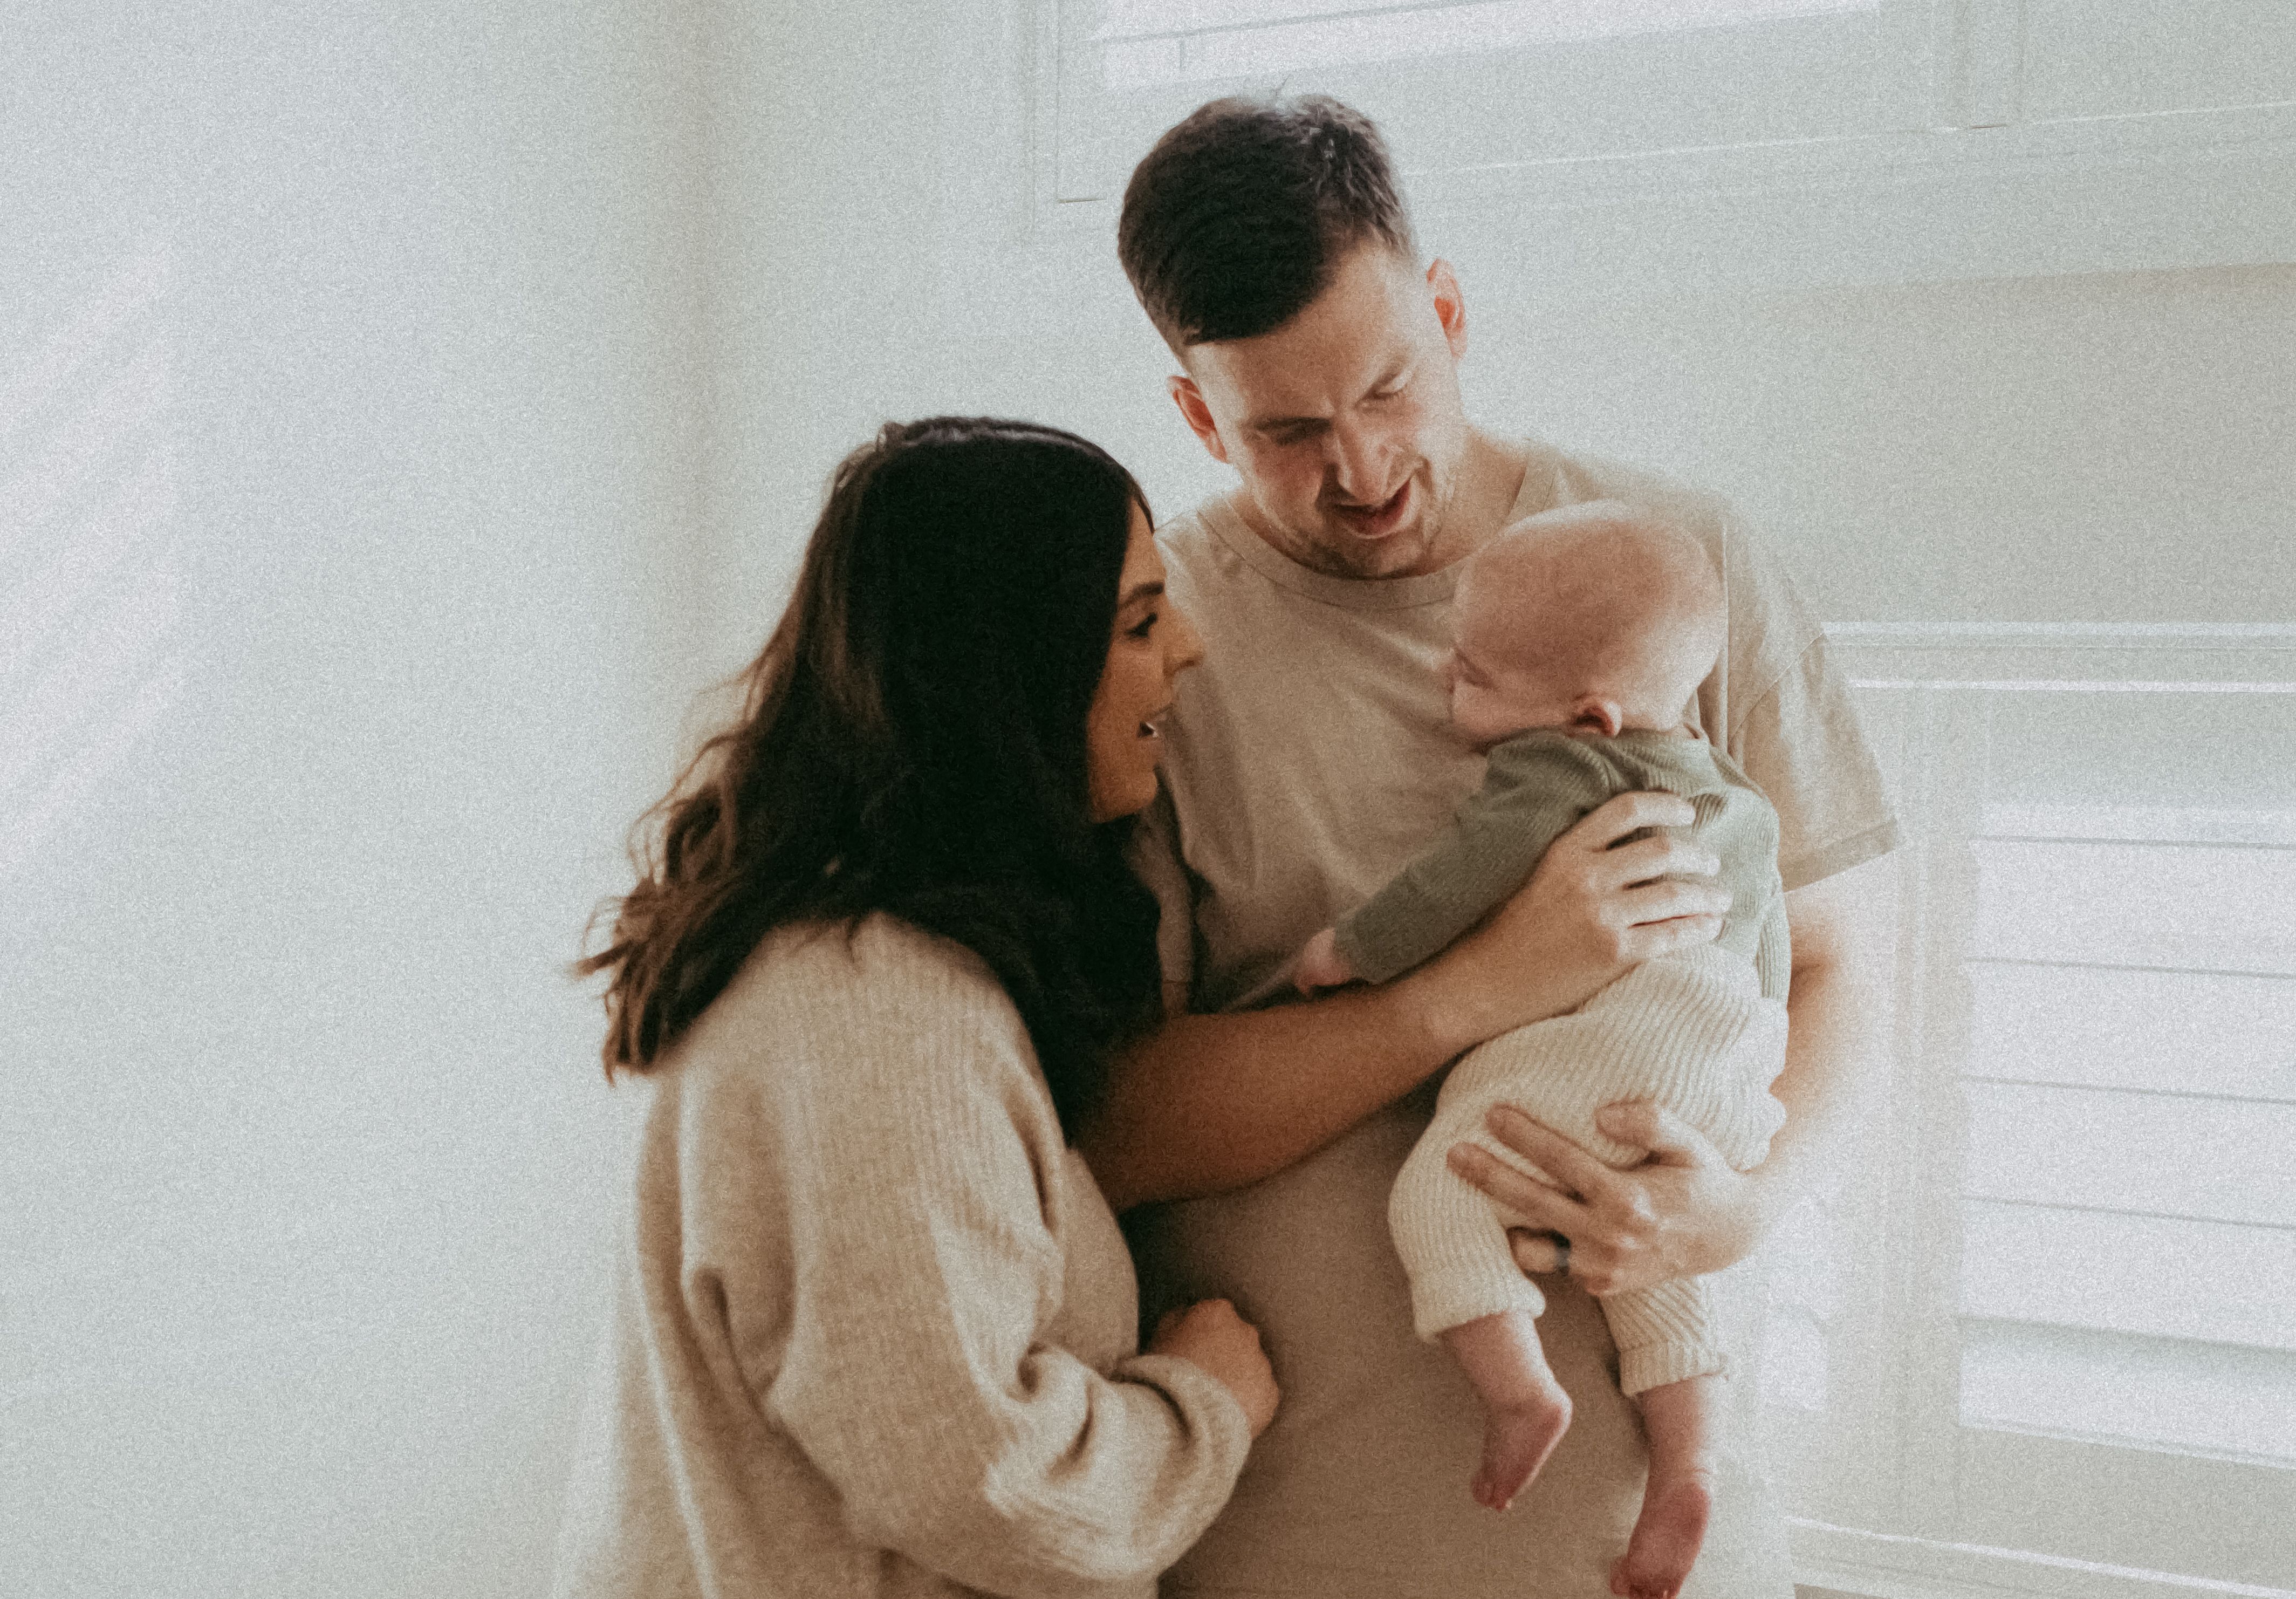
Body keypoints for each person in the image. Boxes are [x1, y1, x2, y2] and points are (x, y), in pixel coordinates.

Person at [1080, 97, 1902, 1599]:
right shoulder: (1155, 646)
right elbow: (1116, 1123)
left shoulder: (1675, 565)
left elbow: (1842, 968)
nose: (1362, 467)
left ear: (1448, 312)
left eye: (1390, 387)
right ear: (1199, 418)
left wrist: (1744, 1209)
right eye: (1285, 432)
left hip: (1664, 1554)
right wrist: (1470, 989)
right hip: (1295, 1557)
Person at [551, 416, 1278, 1599]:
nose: (1188, 648)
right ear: (1006, 679)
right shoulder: (873, 1017)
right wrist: (1202, 1408)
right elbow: (976, 1476)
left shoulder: (865, 971)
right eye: (1139, 623)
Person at [1290, 503, 1792, 1599]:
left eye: (1470, 672)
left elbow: (1459, 878)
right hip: (1721, 1050)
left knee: (1442, 1189)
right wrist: (1747, 1094)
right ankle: (1687, 1466)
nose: (1443, 676)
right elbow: (1772, 944)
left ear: (1589, 716)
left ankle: (1520, 1392)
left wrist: (1351, 950)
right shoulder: (1737, 797)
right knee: (1652, 1270)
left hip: (1618, 1036)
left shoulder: (1564, 768)